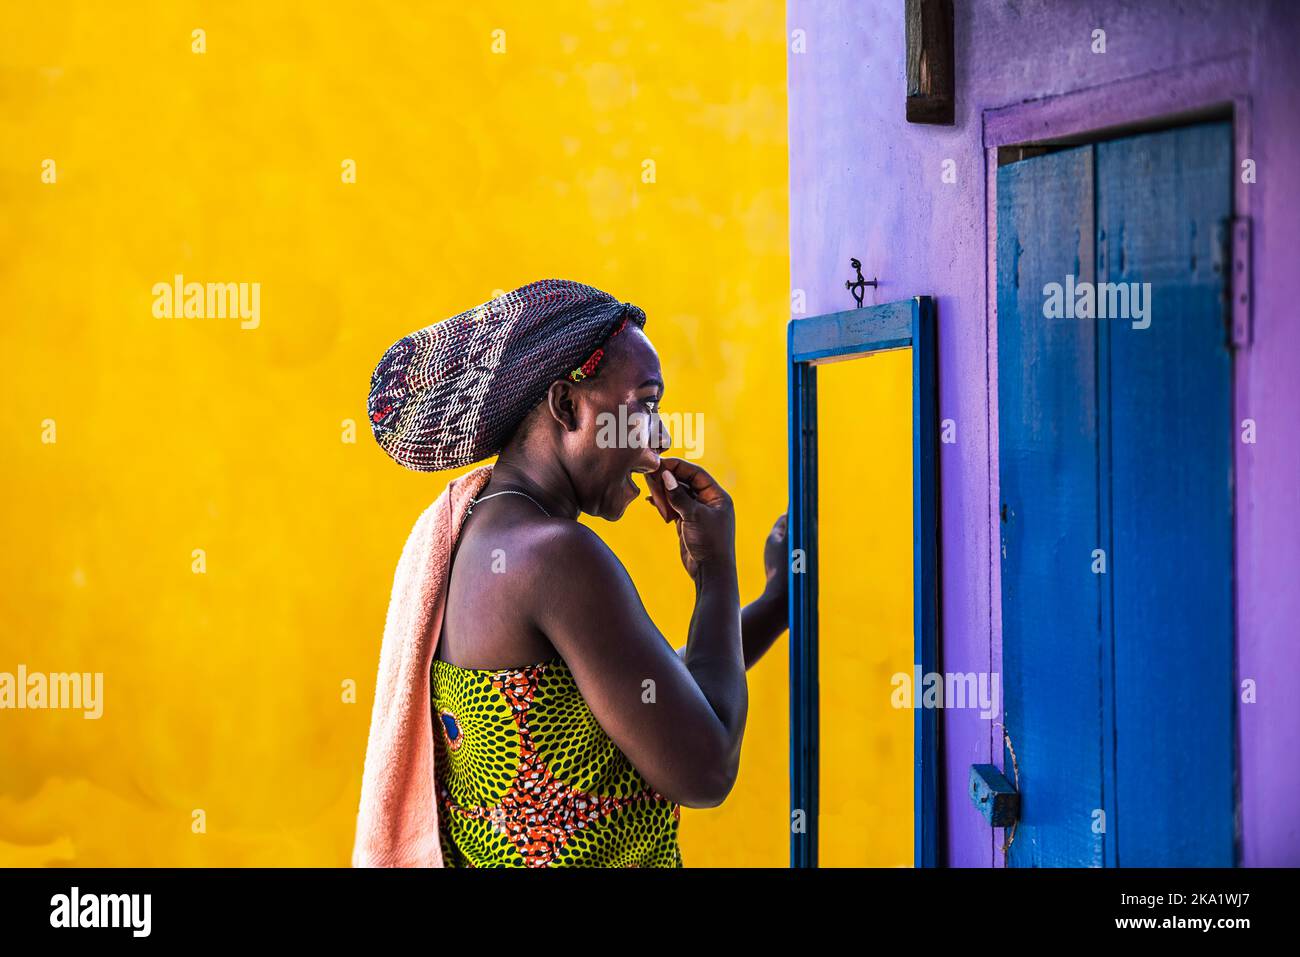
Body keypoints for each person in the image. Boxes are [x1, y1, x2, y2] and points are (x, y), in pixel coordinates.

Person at [366, 278, 788, 867]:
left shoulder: (476, 534)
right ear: (568, 405)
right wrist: (716, 574)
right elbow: (706, 766)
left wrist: (776, 603)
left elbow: (652, 693)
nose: (658, 439)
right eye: (645, 404)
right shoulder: (557, 557)